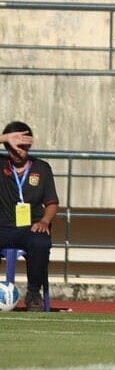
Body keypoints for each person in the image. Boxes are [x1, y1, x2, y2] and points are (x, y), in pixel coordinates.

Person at [0, 121, 59, 312]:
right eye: (12, 147)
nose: (18, 151)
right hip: (3, 227)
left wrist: (45, 221)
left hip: (31, 227)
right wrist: (5, 138)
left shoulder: (42, 168)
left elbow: (52, 203)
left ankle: (33, 293)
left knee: (41, 243)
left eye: (23, 146)